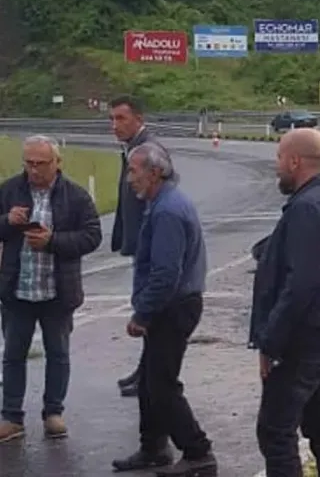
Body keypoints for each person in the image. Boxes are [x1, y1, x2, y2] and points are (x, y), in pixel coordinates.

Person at [249, 128, 320, 477]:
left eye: (280, 158)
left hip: (303, 341)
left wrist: (270, 342)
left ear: (295, 161)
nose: (277, 166)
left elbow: (300, 285)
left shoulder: (307, 209)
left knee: (276, 432)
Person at [110, 142, 216, 476]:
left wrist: (143, 314)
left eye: (134, 171)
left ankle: (198, 451)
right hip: (172, 305)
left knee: (161, 385)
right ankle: (153, 447)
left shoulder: (168, 210)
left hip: (173, 307)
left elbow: (166, 273)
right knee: (149, 383)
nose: (130, 179)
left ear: (155, 172)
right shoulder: (162, 202)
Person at [0, 135, 102, 443]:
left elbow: (92, 236)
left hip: (58, 291)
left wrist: (53, 242)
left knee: (58, 354)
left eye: (40, 164)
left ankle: (54, 413)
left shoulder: (76, 196)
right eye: (28, 163)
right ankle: (11, 416)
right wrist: (7, 220)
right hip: (17, 289)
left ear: (57, 163)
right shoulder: (9, 190)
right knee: (13, 355)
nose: (33, 170)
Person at [109, 94, 164, 398]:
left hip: (149, 246)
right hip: (139, 242)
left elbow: (156, 200)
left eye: (121, 118)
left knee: (149, 310)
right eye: (112, 119)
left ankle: (149, 374)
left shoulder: (148, 151)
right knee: (145, 308)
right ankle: (144, 370)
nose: (114, 125)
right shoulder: (133, 148)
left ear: (138, 119)